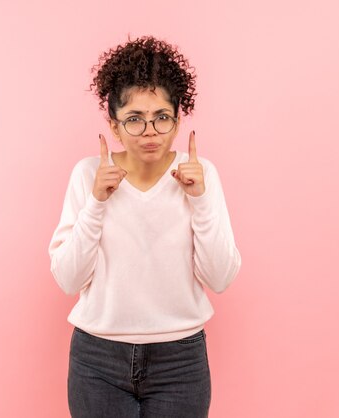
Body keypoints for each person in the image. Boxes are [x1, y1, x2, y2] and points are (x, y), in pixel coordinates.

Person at [48, 35, 242, 418]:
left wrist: (199, 199)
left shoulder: (202, 176)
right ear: (115, 126)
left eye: (161, 117)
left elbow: (220, 278)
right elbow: (68, 280)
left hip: (180, 361)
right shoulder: (88, 175)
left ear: (177, 119)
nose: (150, 131)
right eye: (135, 119)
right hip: (97, 361)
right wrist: (96, 203)